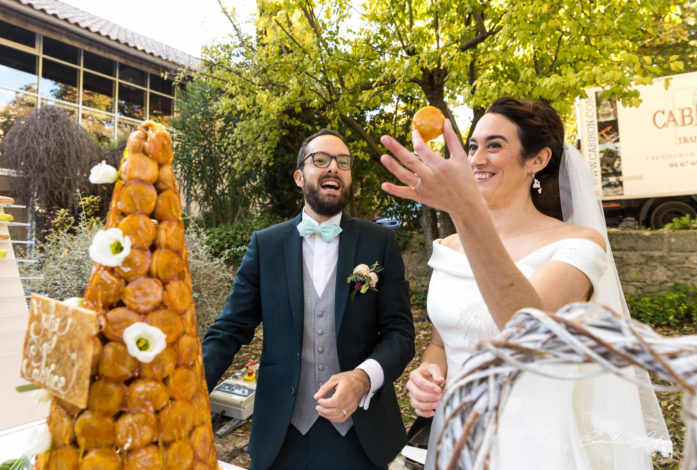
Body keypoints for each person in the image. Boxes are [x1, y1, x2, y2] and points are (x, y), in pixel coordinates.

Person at [379, 98, 671, 469]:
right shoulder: (449, 248)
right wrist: (428, 374)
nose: (476, 159)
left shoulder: (578, 245)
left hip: (533, 447)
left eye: (495, 145)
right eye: (472, 146)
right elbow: (442, 341)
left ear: (538, 159)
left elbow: (522, 328)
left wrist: (464, 212)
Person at [202, 128, 415, 470]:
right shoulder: (265, 245)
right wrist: (186, 389)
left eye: (343, 162)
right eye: (321, 159)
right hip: (281, 434)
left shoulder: (380, 243)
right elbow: (229, 330)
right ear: (300, 177)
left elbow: (401, 335)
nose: (334, 167)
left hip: (361, 436)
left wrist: (362, 379)